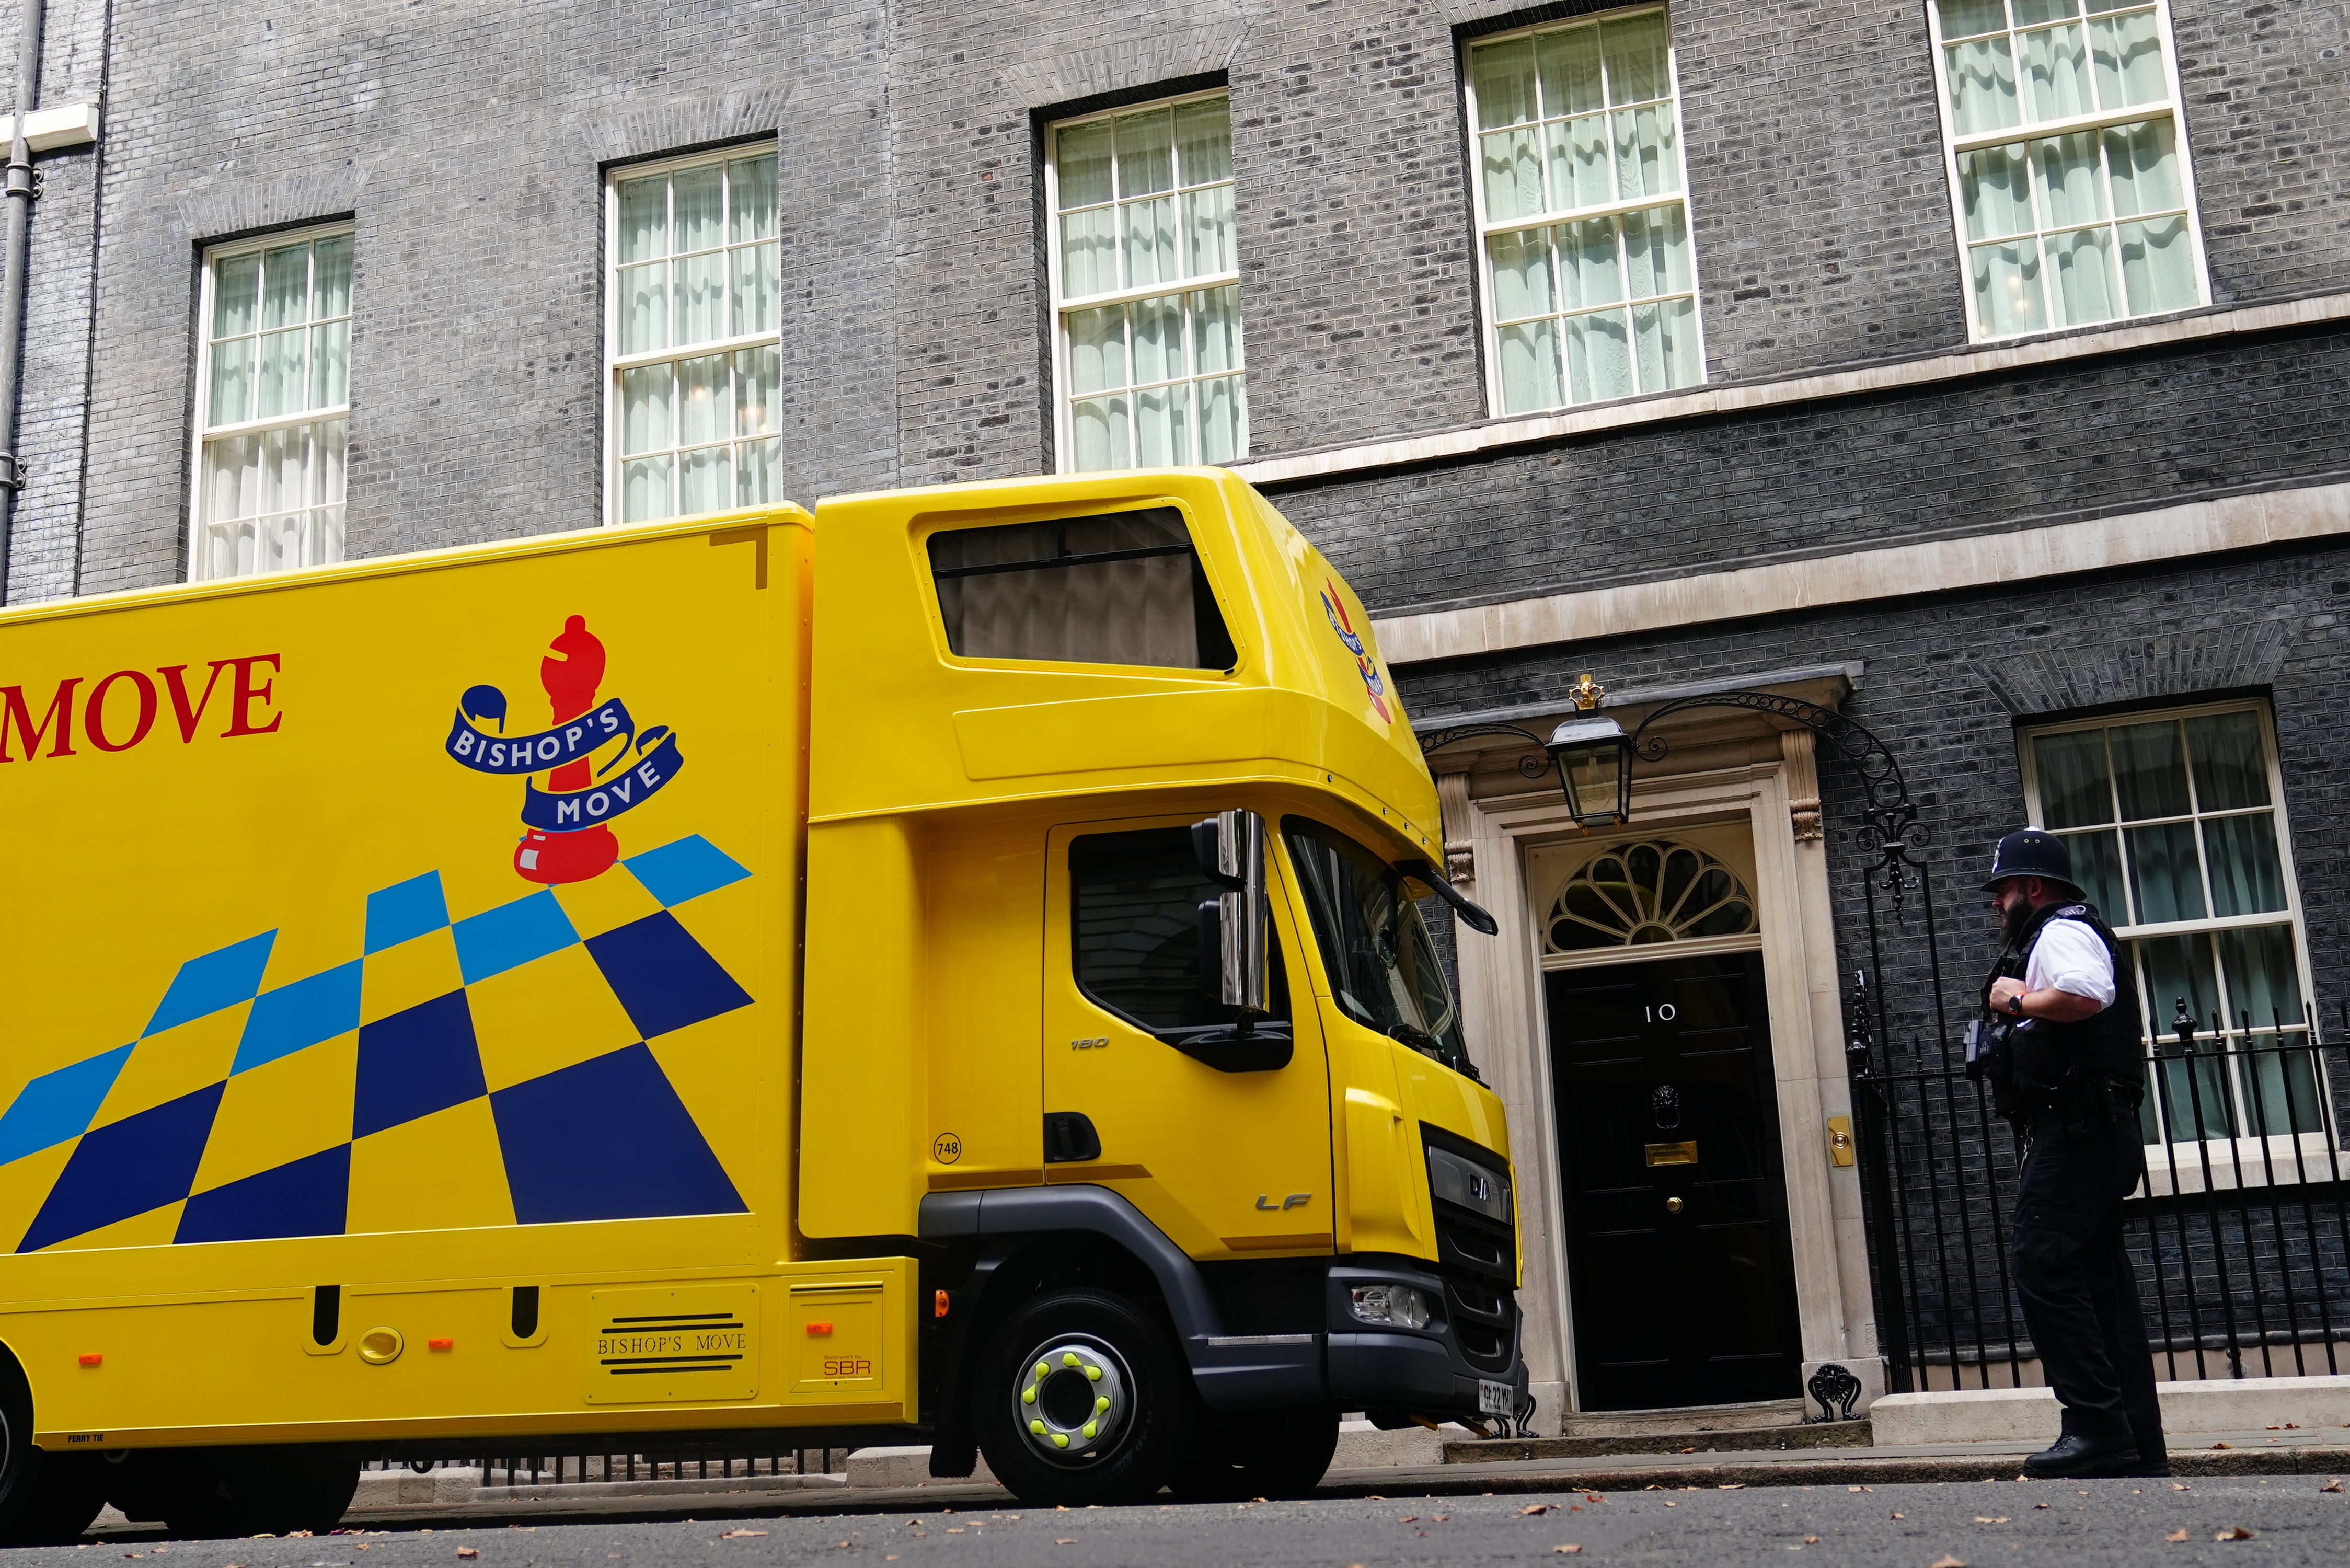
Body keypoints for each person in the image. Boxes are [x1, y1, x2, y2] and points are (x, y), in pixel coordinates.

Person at [1976, 827, 2167, 1480]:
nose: (1997, 902)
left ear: (2031, 887)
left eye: (2002, 889)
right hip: (2090, 1131)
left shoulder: (2060, 930)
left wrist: (2017, 999)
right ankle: (2134, 1441)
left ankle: (2093, 1427)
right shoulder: (2053, 932)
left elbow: (2087, 993)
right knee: (2098, 1286)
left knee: (2043, 1264)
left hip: (2078, 1132)